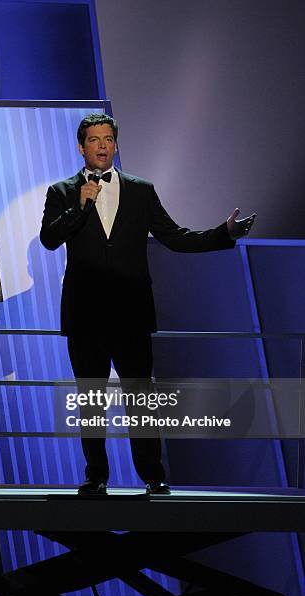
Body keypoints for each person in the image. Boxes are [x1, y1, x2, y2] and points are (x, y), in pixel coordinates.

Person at [40, 113, 256, 495]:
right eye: (94, 139)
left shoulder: (141, 190)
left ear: (116, 144)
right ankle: (96, 476)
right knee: (91, 400)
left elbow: (175, 236)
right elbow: (49, 239)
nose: (103, 145)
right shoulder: (62, 191)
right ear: (81, 146)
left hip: (131, 313)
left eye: (108, 138)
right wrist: (80, 205)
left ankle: (153, 476)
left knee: (140, 397)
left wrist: (224, 234)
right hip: (86, 313)